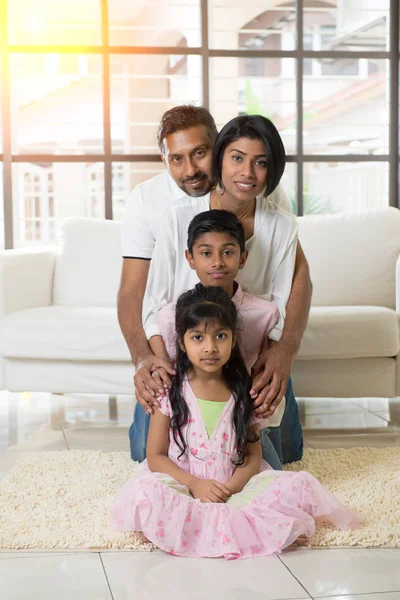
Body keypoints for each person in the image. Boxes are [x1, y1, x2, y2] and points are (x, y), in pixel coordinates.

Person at [118, 105, 311, 463]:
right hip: (185, 353)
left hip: (249, 349)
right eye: (177, 158)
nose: (247, 172)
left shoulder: (275, 211)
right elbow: (141, 297)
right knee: (146, 453)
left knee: (279, 455)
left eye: (199, 154)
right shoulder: (171, 214)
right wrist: (152, 363)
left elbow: (296, 286)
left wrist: (282, 351)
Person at [112, 286, 359, 560]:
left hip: (234, 489)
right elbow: (155, 456)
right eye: (197, 337)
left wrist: (227, 490)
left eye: (220, 336)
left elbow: (253, 459)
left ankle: (262, 526)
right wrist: (195, 484)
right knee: (147, 490)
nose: (210, 347)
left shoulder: (243, 392)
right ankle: (199, 525)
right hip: (184, 485)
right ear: (182, 343)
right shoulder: (169, 392)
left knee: (293, 486)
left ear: (234, 338)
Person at [148, 209, 285, 470]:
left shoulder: (264, 314)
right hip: (186, 410)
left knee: (274, 472)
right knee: (147, 457)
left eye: (228, 252)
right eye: (206, 253)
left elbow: (266, 370)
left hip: (240, 410)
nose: (218, 262)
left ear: (242, 257)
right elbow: (167, 372)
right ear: (190, 258)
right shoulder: (170, 316)